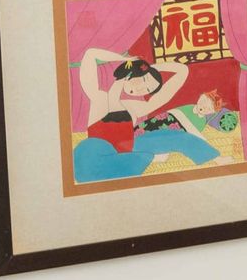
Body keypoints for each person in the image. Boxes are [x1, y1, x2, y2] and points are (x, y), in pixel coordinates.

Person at [71, 49, 221, 182]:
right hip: (96, 154)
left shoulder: (136, 107)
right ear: (133, 72)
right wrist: (125, 60)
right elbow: (90, 54)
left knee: (177, 137)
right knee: (93, 160)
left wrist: (154, 67)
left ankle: (217, 159)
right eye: (143, 79)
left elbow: (183, 71)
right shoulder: (100, 98)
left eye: (147, 88)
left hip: (127, 148)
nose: (141, 87)